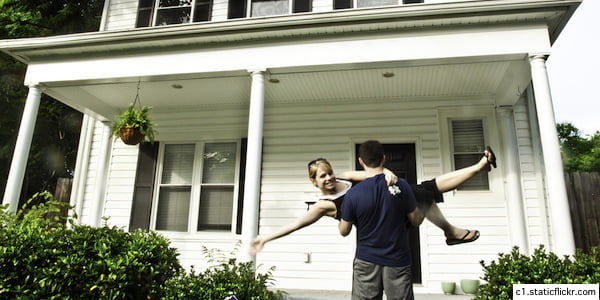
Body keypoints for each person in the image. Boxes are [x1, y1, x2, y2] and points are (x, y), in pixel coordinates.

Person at [249, 146, 496, 255]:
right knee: (423, 195)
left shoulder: (344, 178)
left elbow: (372, 173)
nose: (329, 178)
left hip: (393, 200)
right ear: (314, 181)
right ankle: (451, 231)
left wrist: (388, 172)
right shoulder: (323, 205)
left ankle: (480, 167)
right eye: (323, 176)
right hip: (385, 220)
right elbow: (295, 225)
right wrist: (265, 238)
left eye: (330, 172)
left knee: (427, 187)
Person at [339, 140, 422, 300]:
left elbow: (344, 231)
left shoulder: (353, 194)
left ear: (360, 161)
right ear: (383, 159)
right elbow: (416, 220)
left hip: (366, 260)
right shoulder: (402, 186)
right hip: (398, 259)